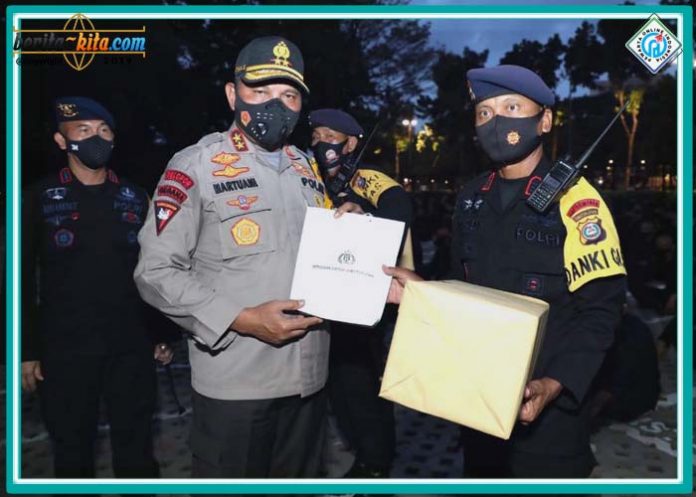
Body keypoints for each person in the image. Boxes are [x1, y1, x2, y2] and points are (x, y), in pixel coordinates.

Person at [384, 64, 627, 478]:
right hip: (477, 398)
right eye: (485, 112)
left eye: (512, 107)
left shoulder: (577, 202)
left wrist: (554, 384)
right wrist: (422, 292)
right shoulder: (471, 197)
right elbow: (465, 289)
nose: (496, 121)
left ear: (544, 120)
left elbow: (601, 312)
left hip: (547, 414)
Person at [134, 37, 359, 478]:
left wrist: (346, 227)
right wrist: (240, 319)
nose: (276, 105)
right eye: (260, 91)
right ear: (232, 94)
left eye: (289, 95)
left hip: (309, 378)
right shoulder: (196, 165)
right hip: (237, 382)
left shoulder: (307, 168)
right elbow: (155, 272)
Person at [21, 96, 173, 478]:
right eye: (84, 130)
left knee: (137, 451)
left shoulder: (136, 197)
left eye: (104, 130)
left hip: (131, 345)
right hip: (65, 348)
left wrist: (159, 333)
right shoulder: (38, 198)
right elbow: (20, 278)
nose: (96, 138)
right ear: (62, 140)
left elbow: (153, 269)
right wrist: (26, 350)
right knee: (72, 452)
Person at [309, 109, 413, 477]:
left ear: (351, 143)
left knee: (360, 384)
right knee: (338, 385)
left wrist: (365, 220)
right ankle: (360, 450)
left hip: (365, 300)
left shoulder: (364, 177)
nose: (321, 144)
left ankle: (376, 463)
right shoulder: (315, 179)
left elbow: (398, 205)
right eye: (316, 137)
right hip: (327, 299)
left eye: (330, 137)